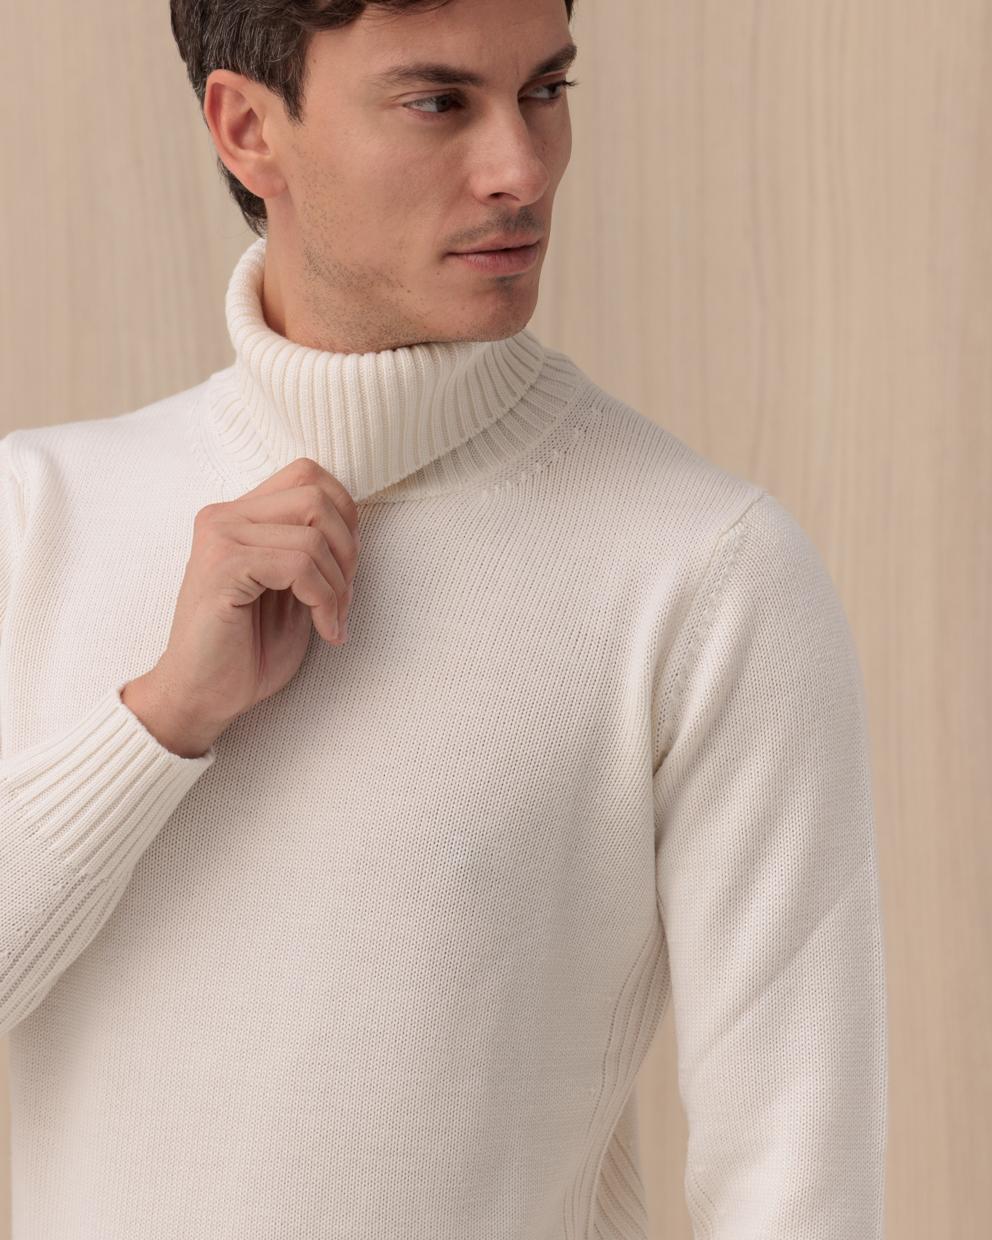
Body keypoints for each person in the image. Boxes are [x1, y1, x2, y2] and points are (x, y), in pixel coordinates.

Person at [0, 1, 887, 1237]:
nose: (520, 169)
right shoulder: (35, 516)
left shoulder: (704, 573)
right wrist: (156, 724)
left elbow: (797, 1175)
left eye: (544, 92)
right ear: (246, 127)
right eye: (437, 103)